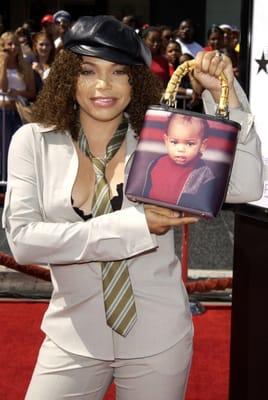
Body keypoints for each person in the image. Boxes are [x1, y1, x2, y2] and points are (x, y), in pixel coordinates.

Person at [2, 15, 263, 400]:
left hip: (159, 340)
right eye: (89, 70)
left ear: (135, 80)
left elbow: (246, 185)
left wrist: (227, 101)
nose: (103, 85)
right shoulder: (33, 142)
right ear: (68, 76)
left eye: (119, 72)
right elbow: (24, 241)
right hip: (72, 339)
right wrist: (137, 225)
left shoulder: (161, 139)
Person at [142, 114, 217, 211]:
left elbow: (204, 204)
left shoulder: (204, 174)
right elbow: (146, 191)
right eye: (174, 142)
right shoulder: (157, 163)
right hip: (150, 211)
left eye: (190, 144)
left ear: (203, 145)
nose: (181, 149)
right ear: (166, 140)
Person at [0, 31, 36, 179]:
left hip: (18, 112)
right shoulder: (0, 63)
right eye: (9, 44)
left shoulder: (25, 66)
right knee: (3, 148)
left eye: (15, 43)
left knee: (16, 147)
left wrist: (18, 93)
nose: (13, 47)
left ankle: (12, 178)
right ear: (3, 46)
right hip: (2, 111)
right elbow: (3, 87)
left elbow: (32, 92)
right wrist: (3, 63)